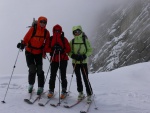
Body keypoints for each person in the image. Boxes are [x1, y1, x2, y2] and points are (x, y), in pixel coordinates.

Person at [17, 16, 50, 95]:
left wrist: (45, 50)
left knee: (39, 70)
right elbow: (26, 38)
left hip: (38, 53)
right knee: (32, 68)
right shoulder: (33, 29)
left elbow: (47, 43)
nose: (42, 23)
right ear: (38, 22)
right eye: (41, 22)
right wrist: (22, 44)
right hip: (29, 52)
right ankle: (31, 85)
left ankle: (40, 87)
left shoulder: (46, 32)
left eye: (44, 22)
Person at [69, 25, 93, 103]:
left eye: (78, 31)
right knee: (78, 78)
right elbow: (69, 51)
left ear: (81, 31)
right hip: (75, 62)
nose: (77, 33)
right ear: (73, 33)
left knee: (85, 78)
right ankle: (80, 93)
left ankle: (89, 94)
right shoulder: (72, 41)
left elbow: (90, 50)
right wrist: (73, 56)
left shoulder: (85, 40)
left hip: (83, 62)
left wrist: (84, 56)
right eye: (75, 32)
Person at [47, 24, 71, 99]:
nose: (57, 32)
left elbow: (68, 49)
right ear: (53, 31)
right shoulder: (50, 39)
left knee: (63, 76)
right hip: (54, 59)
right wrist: (52, 49)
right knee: (52, 75)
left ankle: (64, 90)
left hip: (63, 59)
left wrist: (62, 50)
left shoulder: (64, 39)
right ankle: (51, 90)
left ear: (60, 31)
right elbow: (46, 48)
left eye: (58, 30)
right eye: (55, 30)